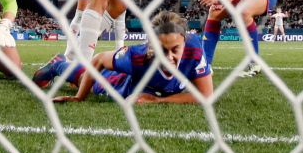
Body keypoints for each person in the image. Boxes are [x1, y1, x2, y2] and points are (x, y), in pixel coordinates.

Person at [34, 11, 213, 104]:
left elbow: (205, 96)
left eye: (175, 49)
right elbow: (99, 59)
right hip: (116, 83)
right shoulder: (137, 57)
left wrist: (157, 101)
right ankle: (59, 64)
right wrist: (79, 98)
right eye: (162, 51)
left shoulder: (195, 49)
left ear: (184, 40)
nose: (169, 57)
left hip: (151, 92)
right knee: (84, 78)